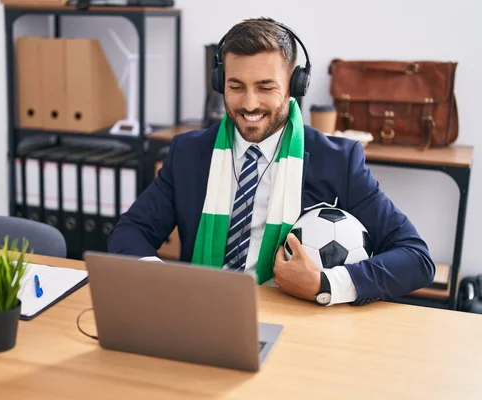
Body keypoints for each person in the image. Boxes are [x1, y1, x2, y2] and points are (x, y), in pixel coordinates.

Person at [107, 17, 435, 306]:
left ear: (295, 86)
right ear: (221, 84)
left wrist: (324, 284)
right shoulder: (189, 153)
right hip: (201, 308)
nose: (250, 104)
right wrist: (164, 284)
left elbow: (416, 257)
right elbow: (130, 232)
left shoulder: (338, 161)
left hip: (294, 315)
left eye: (266, 88)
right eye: (236, 87)